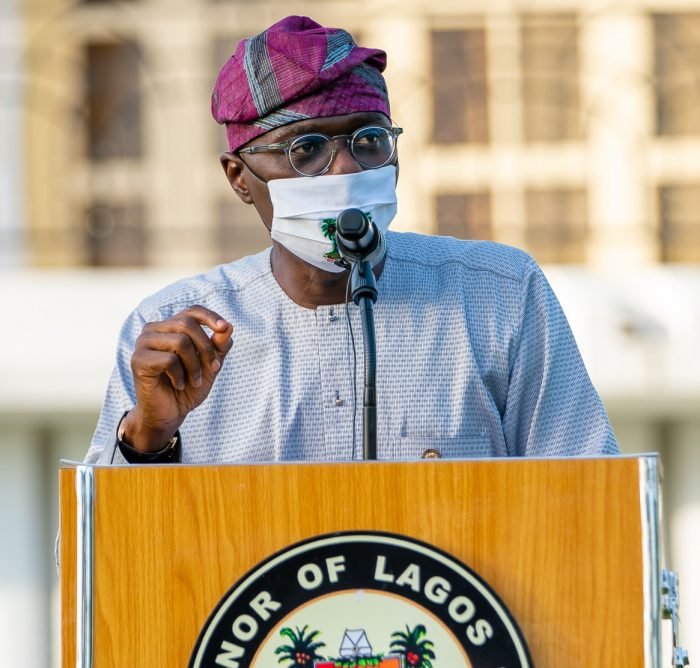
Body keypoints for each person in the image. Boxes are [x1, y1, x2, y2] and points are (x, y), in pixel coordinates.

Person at [83, 15, 618, 466]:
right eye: (305, 149)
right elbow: (96, 570)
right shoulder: (177, 336)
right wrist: (148, 438)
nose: (344, 168)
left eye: (368, 139)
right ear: (239, 178)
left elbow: (590, 505)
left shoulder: (500, 295)